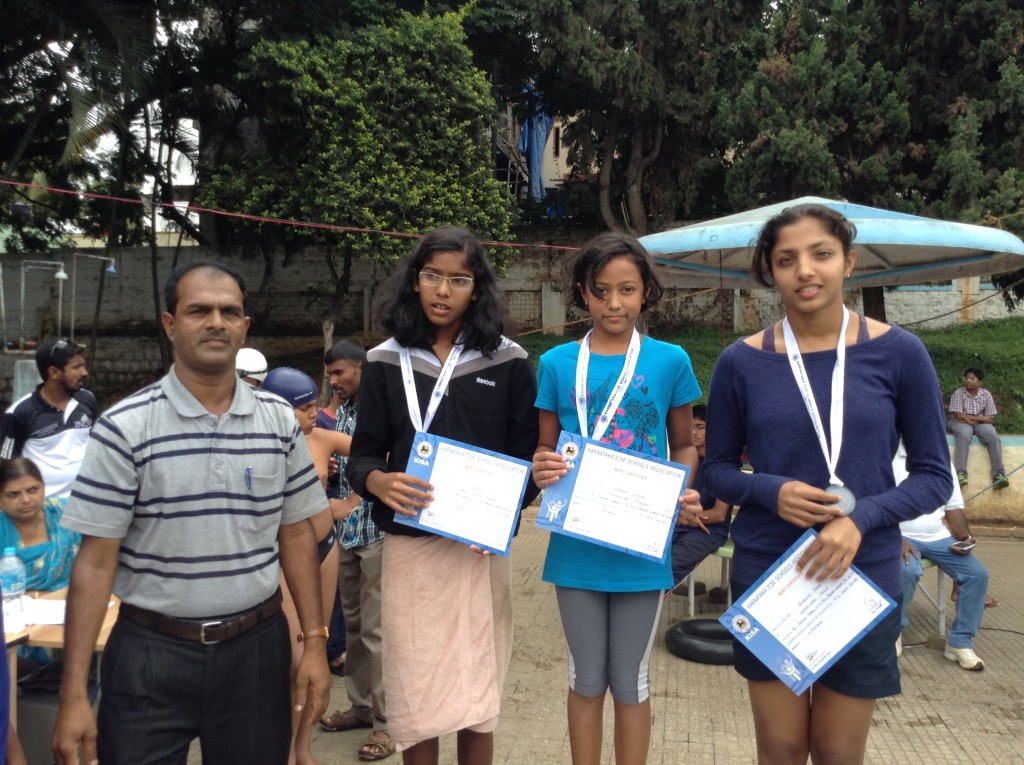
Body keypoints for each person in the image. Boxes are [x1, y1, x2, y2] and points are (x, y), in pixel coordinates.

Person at [51, 261, 332, 765]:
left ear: (245, 326)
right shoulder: (123, 428)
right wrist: (73, 694)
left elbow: (295, 535)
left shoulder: (279, 424)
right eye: (199, 310)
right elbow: (95, 562)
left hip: (256, 654)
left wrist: (313, 641)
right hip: (149, 656)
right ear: (170, 323)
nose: (216, 322)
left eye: (229, 312)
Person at [701, 203, 953, 765]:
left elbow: (934, 475)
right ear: (770, 271)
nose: (805, 271)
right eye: (786, 259)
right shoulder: (740, 362)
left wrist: (859, 520)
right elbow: (714, 470)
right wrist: (769, 490)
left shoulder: (899, 352)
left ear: (849, 262)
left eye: (821, 254)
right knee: (782, 748)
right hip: (772, 573)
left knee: (839, 752)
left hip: (860, 577)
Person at [346, 226, 539, 765]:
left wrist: (501, 517)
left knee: (477, 687)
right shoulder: (385, 360)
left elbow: (526, 457)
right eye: (432, 276)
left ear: (476, 289)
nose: (442, 290)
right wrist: (377, 482)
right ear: (414, 280)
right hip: (410, 547)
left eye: (458, 279)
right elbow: (364, 453)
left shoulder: (507, 360)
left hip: (477, 551)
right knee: (415, 688)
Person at [531, 231, 700, 765]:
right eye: (601, 291)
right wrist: (541, 465)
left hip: (639, 543)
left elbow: (685, 445)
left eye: (627, 290)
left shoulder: (670, 359)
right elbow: (544, 444)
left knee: (630, 678)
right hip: (576, 544)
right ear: (583, 291)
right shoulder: (556, 363)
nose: (614, 303)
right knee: (586, 676)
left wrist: (677, 491)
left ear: (646, 292)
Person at [262, 366, 347, 765]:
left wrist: (348, 504)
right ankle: (282, 748)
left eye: (316, 405)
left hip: (325, 547)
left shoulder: (323, 438)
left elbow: (380, 450)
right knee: (293, 661)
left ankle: (303, 747)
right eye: (305, 408)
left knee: (316, 652)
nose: (315, 414)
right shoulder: (258, 444)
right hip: (284, 557)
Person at [318, 340, 395, 761]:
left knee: (378, 631)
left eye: (340, 374)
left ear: (361, 370)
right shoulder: (341, 414)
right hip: (347, 533)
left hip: (377, 532)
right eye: (330, 375)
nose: (334, 382)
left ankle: (387, 724)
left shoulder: (381, 410)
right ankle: (361, 707)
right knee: (352, 625)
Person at [894, 444, 991, 670]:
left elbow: (953, 509)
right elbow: (876, 506)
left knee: (977, 574)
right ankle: (893, 632)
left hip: (939, 537)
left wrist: (965, 537)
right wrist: (894, 539)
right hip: (901, 536)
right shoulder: (887, 457)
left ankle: (959, 643)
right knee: (906, 570)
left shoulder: (941, 461)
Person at [0, 338, 96, 499]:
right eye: (77, 367)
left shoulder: (87, 400)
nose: (84, 372)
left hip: (84, 505)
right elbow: (6, 466)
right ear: (54, 372)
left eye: (83, 365)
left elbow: (97, 445)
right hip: (44, 510)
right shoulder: (20, 413)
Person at [670, 404, 732, 589]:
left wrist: (690, 519)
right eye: (690, 427)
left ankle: (652, 606)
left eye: (700, 427)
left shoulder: (722, 464)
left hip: (708, 531)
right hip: (681, 524)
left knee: (672, 566)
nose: (694, 432)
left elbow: (720, 514)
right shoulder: (684, 461)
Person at [0, 456, 81, 595]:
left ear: (44, 488)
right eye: (13, 494)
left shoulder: (66, 513)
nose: (25, 500)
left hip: (76, 600)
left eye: (32, 490)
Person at [949, 367, 1009, 489]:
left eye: (972, 379)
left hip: (980, 424)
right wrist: (981, 419)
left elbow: (990, 418)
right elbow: (959, 416)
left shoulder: (986, 394)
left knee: (993, 436)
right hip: (961, 423)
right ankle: (961, 474)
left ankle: (999, 474)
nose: (968, 381)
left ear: (979, 382)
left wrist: (971, 419)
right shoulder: (958, 393)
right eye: (966, 378)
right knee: (964, 435)